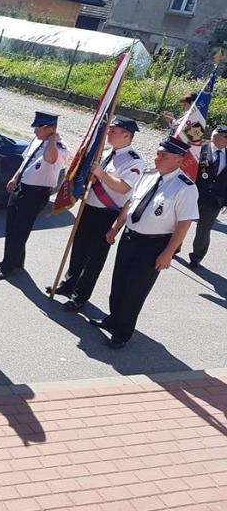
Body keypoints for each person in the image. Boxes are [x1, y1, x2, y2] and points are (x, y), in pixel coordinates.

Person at [90, 137, 199, 349]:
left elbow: (184, 224)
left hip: (153, 245)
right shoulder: (149, 175)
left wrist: (168, 253)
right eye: (157, 153)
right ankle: (113, 319)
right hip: (130, 237)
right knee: (119, 282)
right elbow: (131, 204)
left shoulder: (185, 188)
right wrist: (115, 227)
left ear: (179, 160)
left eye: (163, 155)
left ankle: (123, 332)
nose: (157, 158)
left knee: (135, 289)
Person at [51, 117, 146, 311]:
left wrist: (101, 173)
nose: (109, 133)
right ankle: (69, 284)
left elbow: (123, 187)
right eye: (109, 129)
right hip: (89, 207)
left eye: (114, 131)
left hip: (107, 214)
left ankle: (80, 295)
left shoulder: (134, 161)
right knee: (78, 248)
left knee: (94, 258)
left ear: (127, 135)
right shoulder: (105, 152)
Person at [0, 111, 69, 280]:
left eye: (38, 129)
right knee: (12, 225)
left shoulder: (59, 147)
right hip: (22, 187)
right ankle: (15, 260)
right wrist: (15, 177)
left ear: (49, 129)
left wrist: (52, 140)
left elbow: (50, 159)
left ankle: (8, 267)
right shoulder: (38, 140)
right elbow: (25, 160)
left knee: (20, 230)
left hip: (36, 193)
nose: (35, 132)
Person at [188, 124, 227, 267]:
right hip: (194, 195)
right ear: (215, 134)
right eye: (225, 136)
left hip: (214, 201)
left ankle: (196, 258)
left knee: (203, 231)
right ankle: (174, 248)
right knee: (182, 224)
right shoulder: (199, 150)